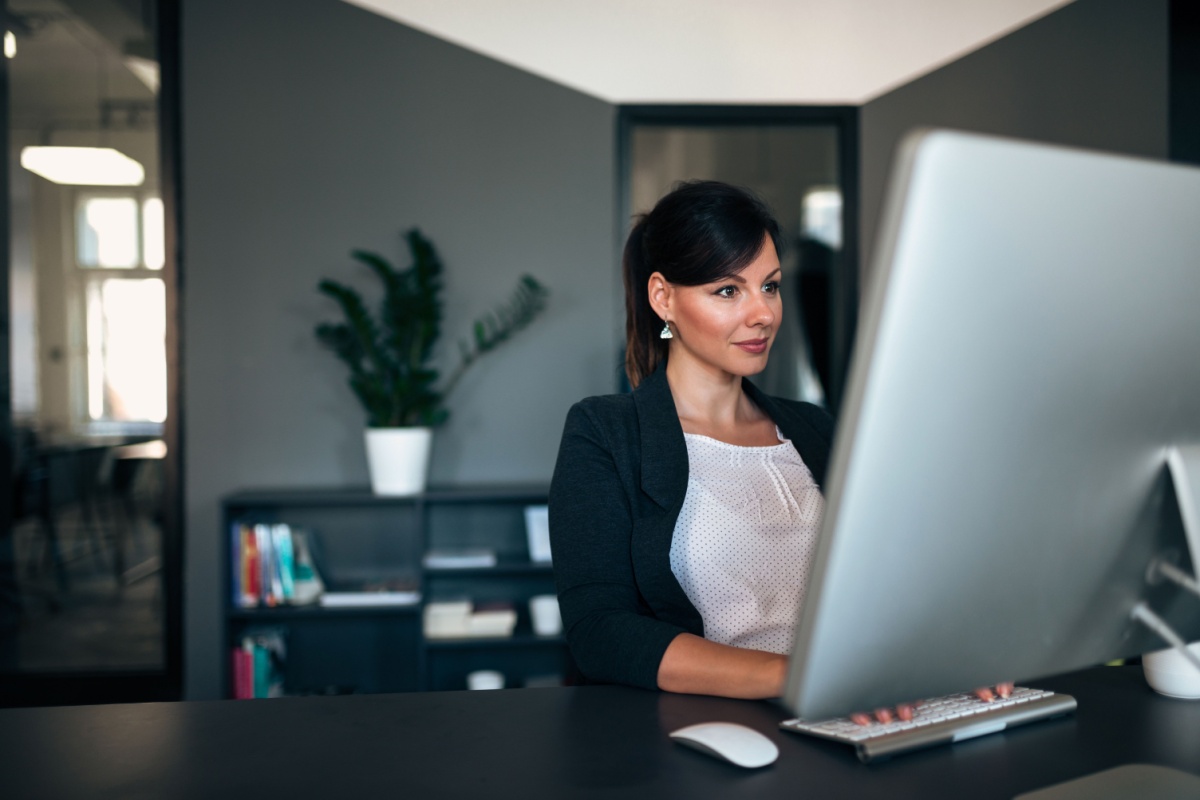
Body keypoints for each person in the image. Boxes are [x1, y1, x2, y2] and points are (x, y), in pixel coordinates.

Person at [549, 180, 1008, 720]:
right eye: (728, 291)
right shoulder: (604, 432)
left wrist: (945, 657)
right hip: (712, 731)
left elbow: (890, 585)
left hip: (854, 713)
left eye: (770, 286)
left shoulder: (815, 429)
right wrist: (799, 678)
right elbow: (601, 630)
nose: (763, 313)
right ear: (663, 297)